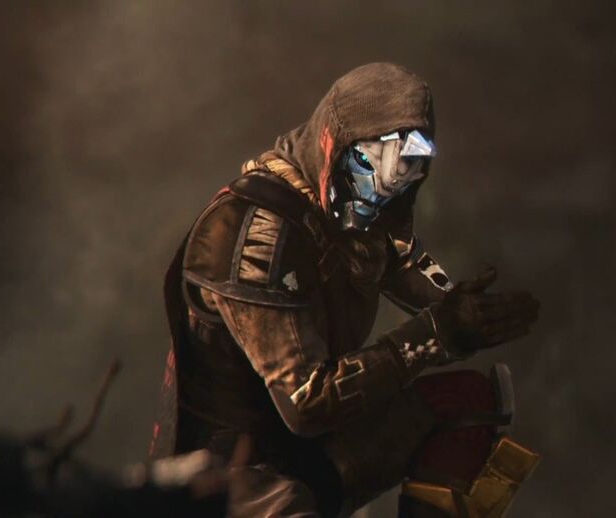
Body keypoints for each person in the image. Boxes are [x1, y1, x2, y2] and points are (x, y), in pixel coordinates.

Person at [151, 62, 540, 517]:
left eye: (405, 174)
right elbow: (307, 402)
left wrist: (466, 311)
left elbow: (417, 276)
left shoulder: (358, 215)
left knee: (469, 401)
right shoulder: (254, 235)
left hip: (310, 459)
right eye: (365, 168)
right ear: (331, 145)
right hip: (235, 485)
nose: (377, 194)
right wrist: (437, 334)